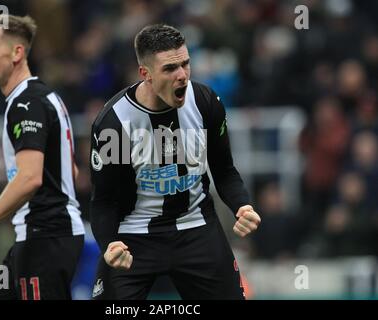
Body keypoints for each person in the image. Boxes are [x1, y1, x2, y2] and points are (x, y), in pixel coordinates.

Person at [90, 24, 261, 300]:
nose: (182, 76)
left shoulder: (206, 102)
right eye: (170, 69)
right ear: (145, 74)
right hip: (133, 236)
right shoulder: (114, 124)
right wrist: (108, 244)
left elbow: (224, 170)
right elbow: (103, 200)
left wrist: (242, 204)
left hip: (196, 225)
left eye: (185, 64)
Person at [0, 10, 85, 300]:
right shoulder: (42, 97)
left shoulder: (27, 103)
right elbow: (70, 171)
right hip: (39, 234)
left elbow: (31, 177)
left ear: (17, 52)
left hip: (45, 236)